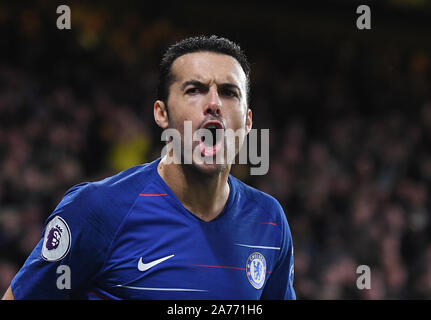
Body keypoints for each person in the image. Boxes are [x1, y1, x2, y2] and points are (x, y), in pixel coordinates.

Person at [2, 35, 295, 300]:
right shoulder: (97, 210)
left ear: (247, 122)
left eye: (230, 92)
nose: (214, 103)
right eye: (195, 89)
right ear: (162, 113)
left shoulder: (269, 221)